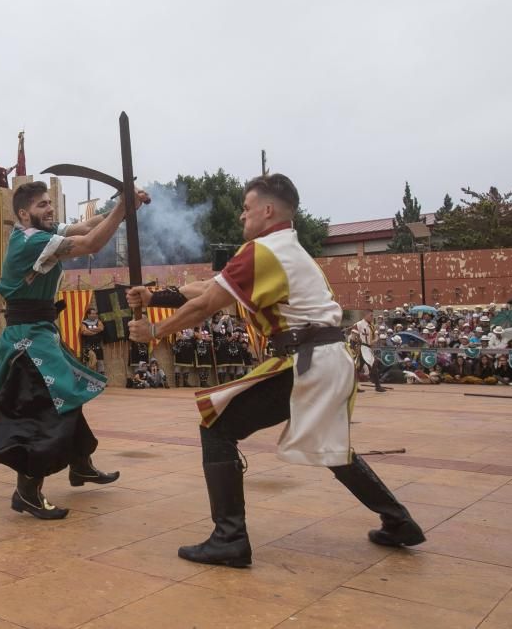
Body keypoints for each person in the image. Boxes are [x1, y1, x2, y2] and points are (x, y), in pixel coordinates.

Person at [128, 173, 424, 568]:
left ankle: (229, 538)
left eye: (247, 209)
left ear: (267, 211)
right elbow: (208, 287)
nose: (241, 217)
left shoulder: (263, 252)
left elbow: (207, 304)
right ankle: (399, 521)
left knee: (218, 426)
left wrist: (154, 330)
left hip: (310, 360)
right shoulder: (285, 250)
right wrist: (154, 295)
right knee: (333, 448)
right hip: (326, 358)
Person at [0, 180, 148, 519]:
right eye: (43, 205)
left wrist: (123, 206)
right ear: (24, 213)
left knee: (66, 396)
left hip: (40, 331)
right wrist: (123, 208)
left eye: (49, 203)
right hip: (26, 339)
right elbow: (91, 243)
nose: (50, 208)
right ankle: (27, 490)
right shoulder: (32, 241)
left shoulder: (40, 230)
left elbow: (86, 225)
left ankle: (80, 463)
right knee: (44, 410)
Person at [351, 310, 387, 392]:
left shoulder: (372, 326)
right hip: (362, 348)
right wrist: (353, 348)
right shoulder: (359, 324)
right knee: (372, 364)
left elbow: (376, 337)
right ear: (365, 315)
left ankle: (353, 387)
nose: (372, 317)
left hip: (368, 348)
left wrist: (374, 341)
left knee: (358, 369)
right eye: (371, 315)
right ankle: (377, 386)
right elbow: (353, 336)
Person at [79, 308, 106, 374]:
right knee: (89, 366)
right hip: (88, 348)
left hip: (98, 347)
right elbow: (84, 332)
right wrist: (95, 331)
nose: (95, 315)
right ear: (88, 315)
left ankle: (101, 382)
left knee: (100, 365)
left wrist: (89, 330)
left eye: (95, 314)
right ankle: (89, 382)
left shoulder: (98, 321)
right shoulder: (84, 323)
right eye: (93, 313)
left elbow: (101, 328)